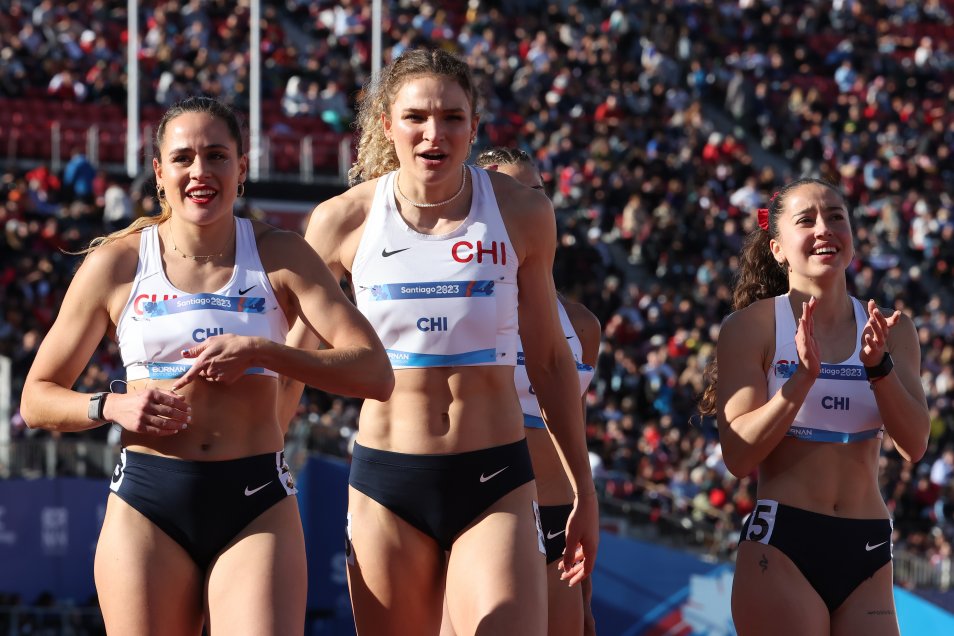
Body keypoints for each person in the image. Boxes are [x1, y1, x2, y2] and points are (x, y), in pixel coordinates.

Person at [20, 96, 393, 636]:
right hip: (148, 504)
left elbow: (375, 372)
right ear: (159, 172)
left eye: (217, 156)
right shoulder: (118, 263)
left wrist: (262, 352)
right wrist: (111, 405)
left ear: (241, 168)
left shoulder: (280, 254)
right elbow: (36, 397)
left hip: (256, 504)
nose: (200, 171)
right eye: (183, 158)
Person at [284, 48, 599, 635]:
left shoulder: (522, 212)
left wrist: (584, 488)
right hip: (387, 483)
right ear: (387, 125)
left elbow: (551, 362)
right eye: (416, 117)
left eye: (453, 118)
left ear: (474, 127)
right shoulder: (342, 220)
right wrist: (261, 469)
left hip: (496, 478)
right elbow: (293, 364)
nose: (435, 133)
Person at [699, 178, 929, 635]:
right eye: (806, 220)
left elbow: (914, 445)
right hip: (784, 546)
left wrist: (879, 369)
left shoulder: (892, 329)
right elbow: (738, 457)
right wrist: (801, 379)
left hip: (868, 547)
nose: (824, 228)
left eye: (836, 217)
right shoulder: (750, 328)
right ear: (778, 248)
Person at [471, 147, 600, 635]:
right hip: (482, 512)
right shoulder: (461, 301)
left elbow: (573, 430)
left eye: (538, 193)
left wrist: (586, 591)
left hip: (557, 519)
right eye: (512, 190)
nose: (528, 203)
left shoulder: (582, 324)